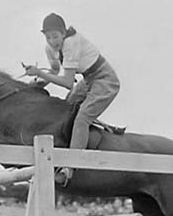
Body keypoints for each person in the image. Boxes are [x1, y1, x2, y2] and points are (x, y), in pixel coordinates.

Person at [23, 13, 120, 186]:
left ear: (63, 33)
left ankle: (69, 167)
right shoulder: (50, 48)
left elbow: (68, 82)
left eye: (56, 36)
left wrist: (39, 73)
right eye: (48, 37)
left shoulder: (70, 43)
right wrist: (39, 83)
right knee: (67, 108)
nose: (53, 41)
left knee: (82, 118)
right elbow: (54, 71)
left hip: (105, 80)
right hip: (88, 79)